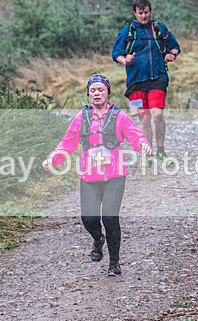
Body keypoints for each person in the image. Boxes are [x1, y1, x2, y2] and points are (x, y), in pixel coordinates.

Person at [43, 74, 152, 276]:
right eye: (93, 90)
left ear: (108, 92)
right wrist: (52, 159)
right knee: (89, 218)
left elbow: (135, 135)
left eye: (100, 89)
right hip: (89, 175)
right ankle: (97, 239)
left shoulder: (119, 116)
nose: (96, 93)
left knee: (110, 218)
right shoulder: (81, 117)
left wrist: (143, 145)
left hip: (115, 175)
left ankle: (114, 263)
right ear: (88, 93)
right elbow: (67, 143)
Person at [111, 0, 181, 164]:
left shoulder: (159, 28)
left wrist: (172, 54)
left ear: (150, 11)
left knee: (157, 114)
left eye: (146, 12)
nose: (144, 16)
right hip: (135, 83)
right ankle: (147, 155)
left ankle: (161, 151)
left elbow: (175, 47)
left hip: (158, 77)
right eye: (140, 13)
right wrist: (124, 60)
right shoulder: (128, 31)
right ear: (135, 13)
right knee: (143, 119)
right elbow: (116, 53)